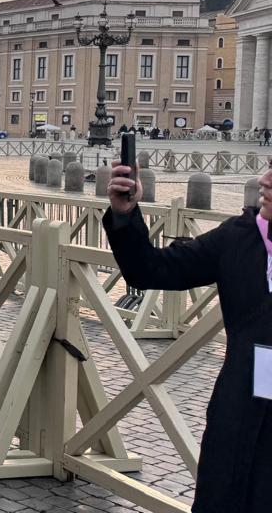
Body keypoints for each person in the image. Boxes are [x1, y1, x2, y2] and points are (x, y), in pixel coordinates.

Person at [105, 161, 272, 511]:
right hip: (240, 413)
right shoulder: (239, 235)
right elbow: (151, 268)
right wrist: (125, 215)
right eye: (270, 167)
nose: (264, 180)